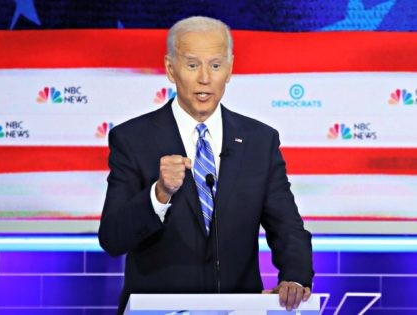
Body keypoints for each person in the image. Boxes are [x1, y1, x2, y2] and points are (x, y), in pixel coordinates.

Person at [98, 16, 314, 314]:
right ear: (171, 69)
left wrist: (295, 276)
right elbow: (112, 238)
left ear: (230, 69)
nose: (204, 78)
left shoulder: (259, 141)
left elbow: (287, 226)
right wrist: (159, 194)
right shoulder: (133, 139)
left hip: (238, 308)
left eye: (215, 65)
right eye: (191, 65)